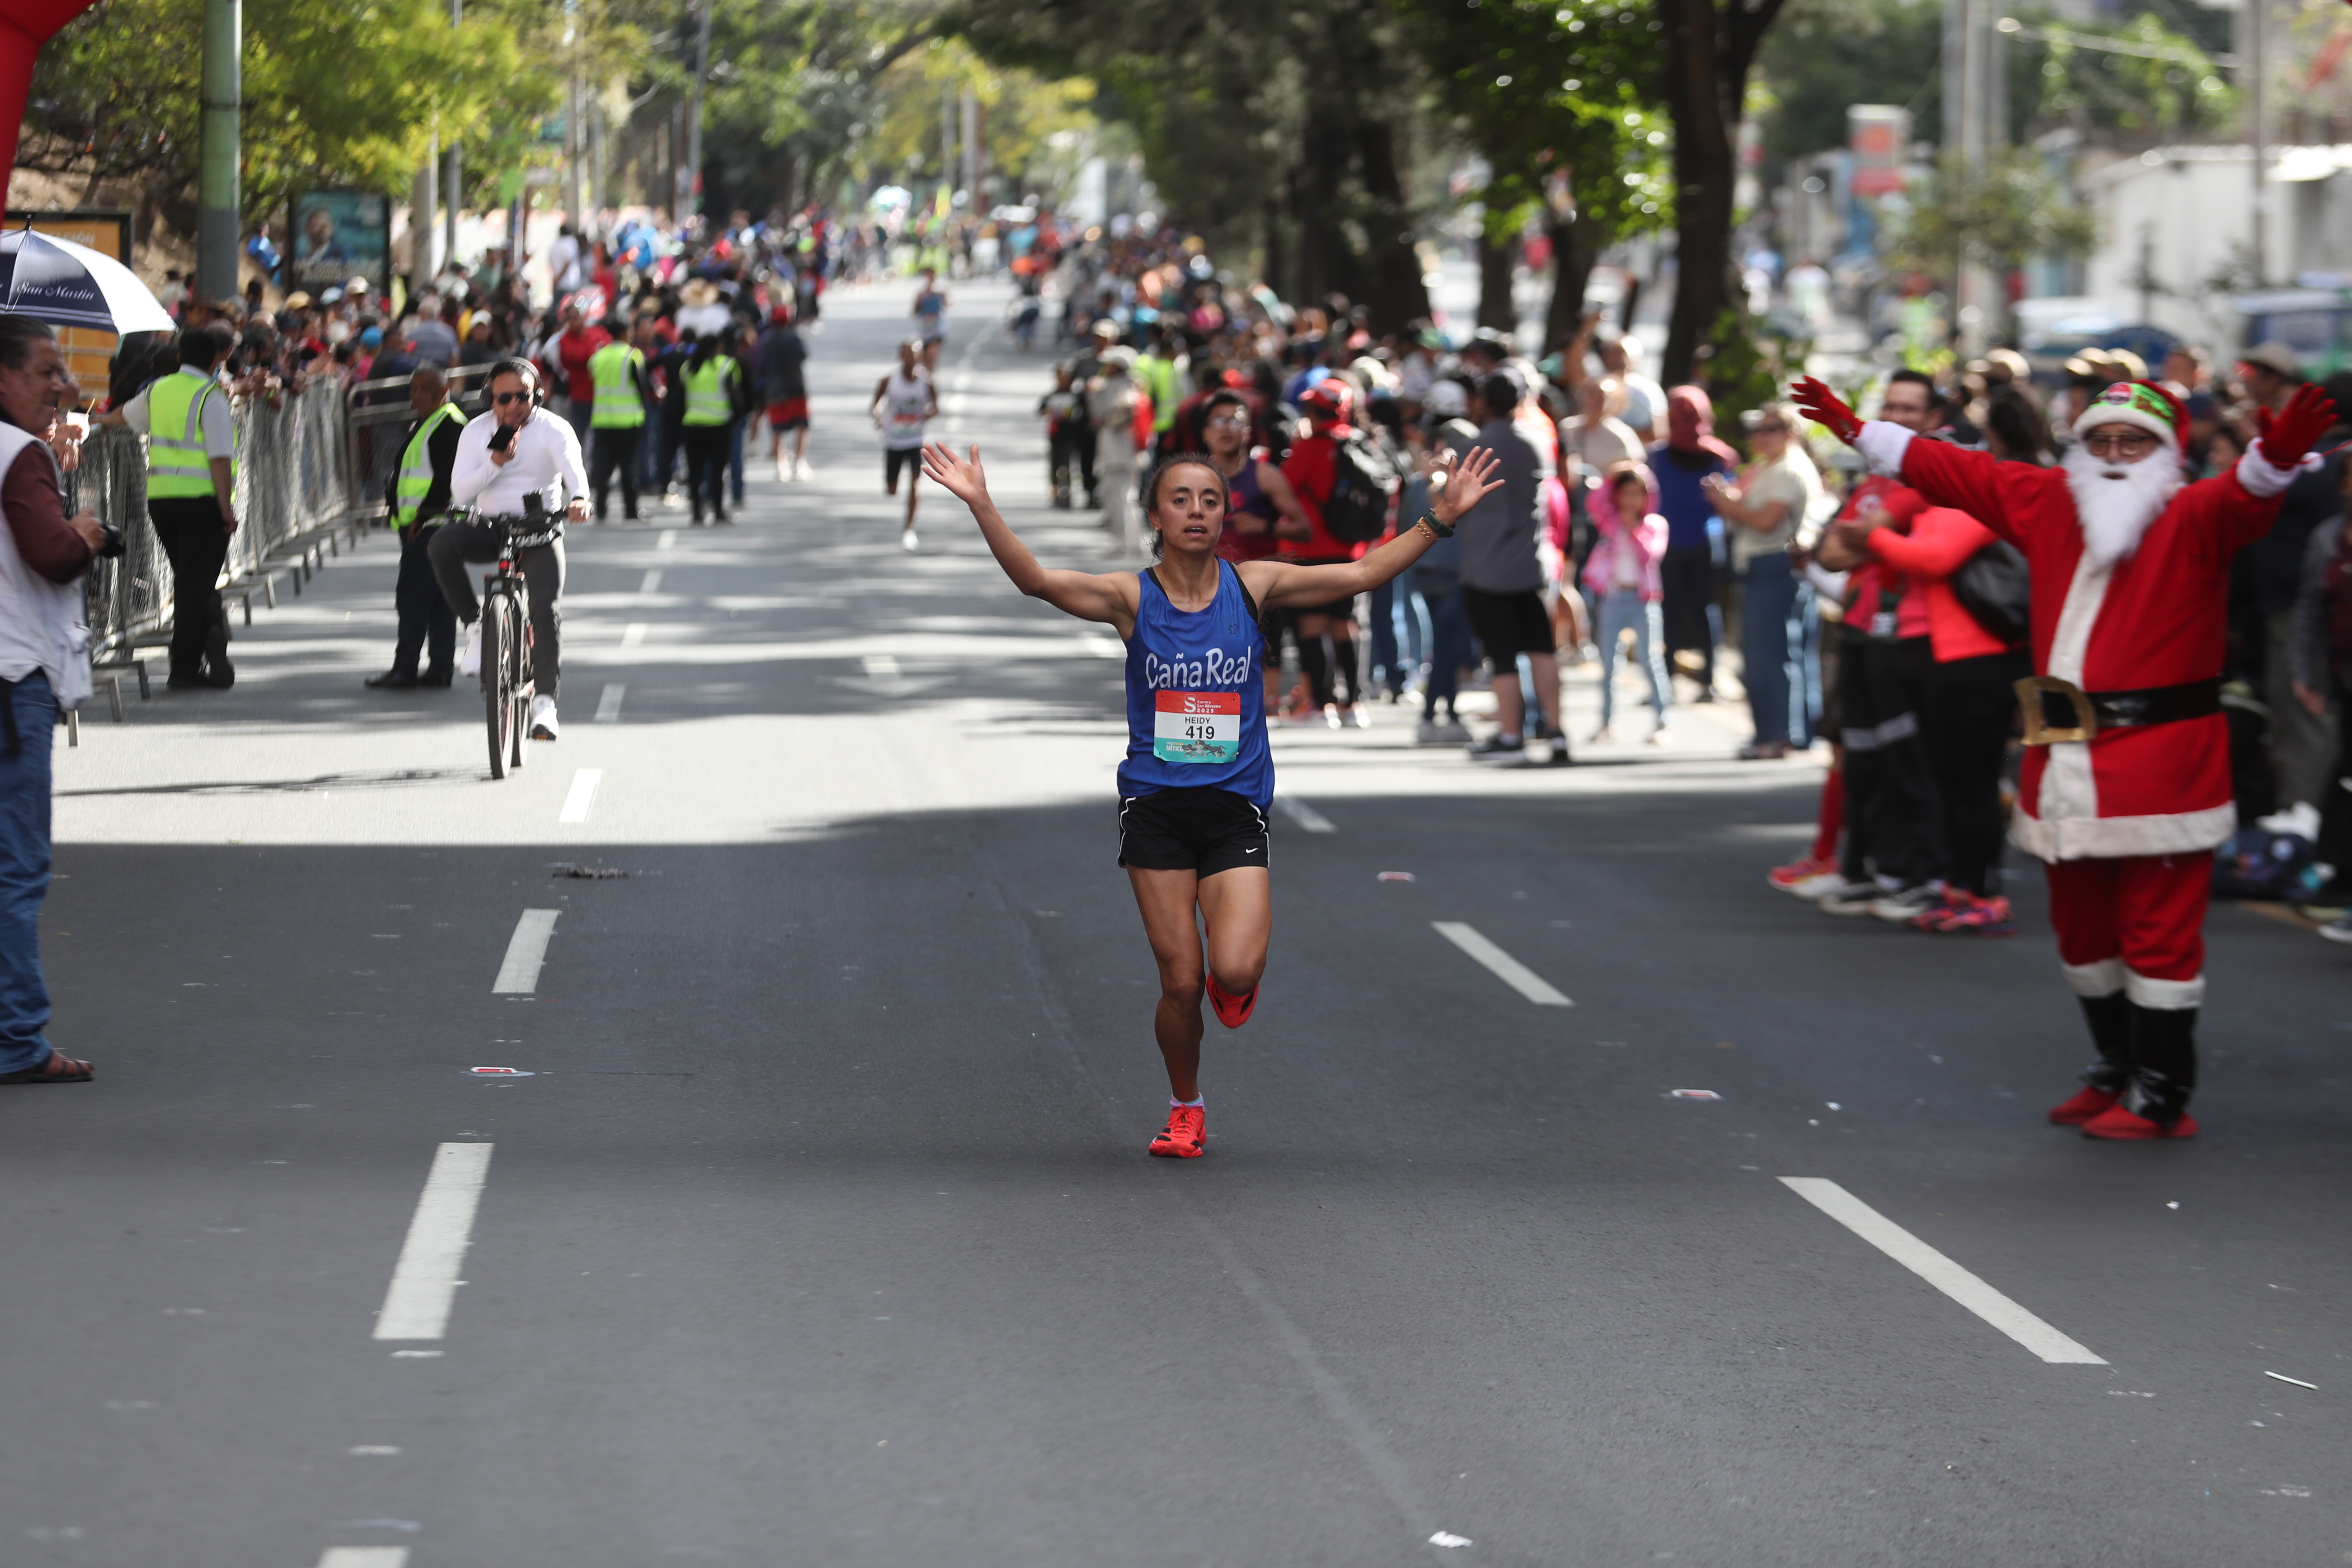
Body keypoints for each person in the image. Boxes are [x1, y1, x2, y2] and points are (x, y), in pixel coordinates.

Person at [917, 436, 1501, 1157]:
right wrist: (981, 502)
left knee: (1236, 970)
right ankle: (1185, 1106)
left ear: (1225, 514)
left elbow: (1361, 574)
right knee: (1181, 983)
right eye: (1180, 499)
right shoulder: (1131, 598)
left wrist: (1439, 518)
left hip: (1233, 807)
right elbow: (1036, 580)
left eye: (1210, 500)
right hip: (1156, 808)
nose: (1196, 511)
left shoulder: (1253, 585)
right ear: (1156, 516)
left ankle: (1233, 981)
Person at [1794, 371, 2336, 1139]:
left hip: (2162, 762)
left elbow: (2247, 498)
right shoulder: (2048, 500)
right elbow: (1958, 470)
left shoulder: (2195, 513)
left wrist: (2272, 461)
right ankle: (2115, 1066)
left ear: (2167, 453)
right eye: (2101, 440)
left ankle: (2161, 1092)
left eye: (2134, 442)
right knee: (2081, 929)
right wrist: (1860, 432)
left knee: (2156, 928)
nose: (2114, 455)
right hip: (2065, 757)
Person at [0, 316, 102, 1085]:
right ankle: (17, 1039)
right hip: (13, 686)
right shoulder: (20, 455)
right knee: (17, 868)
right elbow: (52, 552)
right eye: (46, 371)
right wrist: (85, 533)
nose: (61, 385)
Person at [432, 358, 588, 741]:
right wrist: (495, 463)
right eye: (505, 398)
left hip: (539, 531)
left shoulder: (553, 428)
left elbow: (575, 473)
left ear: (537, 395)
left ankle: (545, 705)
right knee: (441, 544)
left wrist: (580, 499)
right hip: (491, 529)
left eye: (524, 396)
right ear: (491, 399)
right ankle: (477, 627)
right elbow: (461, 491)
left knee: (544, 609)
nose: (515, 405)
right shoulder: (476, 431)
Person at [108, 322, 238, 690]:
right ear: (215, 360)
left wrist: (96, 422)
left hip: (162, 500)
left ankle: (209, 635)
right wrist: (226, 508)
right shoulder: (211, 396)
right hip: (201, 501)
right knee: (196, 583)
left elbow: (124, 416)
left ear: (180, 357)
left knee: (191, 578)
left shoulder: (158, 389)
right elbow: (219, 458)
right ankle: (186, 664)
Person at [1459, 371, 1568, 763]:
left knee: (1502, 656)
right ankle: (1555, 730)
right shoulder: (1535, 443)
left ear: (1482, 401)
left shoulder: (1473, 447)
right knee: (1542, 648)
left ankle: (1511, 735)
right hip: (1531, 563)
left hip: (1487, 566)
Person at [1705, 403, 1824, 758]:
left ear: (1791, 432)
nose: (1760, 436)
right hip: (1775, 564)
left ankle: (1774, 737)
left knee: (1766, 655)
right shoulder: (1768, 467)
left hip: (1774, 564)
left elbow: (1765, 521)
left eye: (1770, 429)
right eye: (1758, 429)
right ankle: (1795, 733)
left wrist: (1727, 505)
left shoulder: (1787, 469)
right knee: (1789, 653)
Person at [364, 365, 463, 689]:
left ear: (444, 391)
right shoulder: (429, 421)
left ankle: (405, 668)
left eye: (425, 389)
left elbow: (446, 480)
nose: (416, 395)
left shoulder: (448, 425)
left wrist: (421, 518)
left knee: (413, 597)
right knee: (439, 599)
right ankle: (440, 668)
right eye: (414, 388)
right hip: (427, 524)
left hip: (430, 525)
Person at [1648, 386, 1733, 704]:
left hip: (1691, 547)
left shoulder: (1715, 458)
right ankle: (1684, 682)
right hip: (1682, 546)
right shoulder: (1719, 458)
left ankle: (1687, 681)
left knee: (1683, 614)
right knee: (1695, 613)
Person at [1582, 464, 1671, 743]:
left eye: (1637, 494)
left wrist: (1634, 529)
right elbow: (1593, 500)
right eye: (1625, 494)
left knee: (1651, 661)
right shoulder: (1610, 522)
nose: (1631, 500)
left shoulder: (1654, 525)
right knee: (1609, 664)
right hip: (1613, 599)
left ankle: (1664, 723)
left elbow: (1652, 556)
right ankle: (1607, 723)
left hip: (1643, 601)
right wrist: (1614, 475)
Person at [871, 338, 936, 550]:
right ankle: (896, 493)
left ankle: (909, 529)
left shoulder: (927, 382)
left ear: (921, 357)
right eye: (907, 354)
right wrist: (879, 417)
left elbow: (936, 407)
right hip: (894, 440)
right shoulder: (889, 381)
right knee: (892, 489)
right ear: (900, 357)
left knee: (916, 484)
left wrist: (926, 416)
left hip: (917, 440)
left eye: (915, 355)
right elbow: (875, 406)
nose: (911, 359)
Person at [677, 331, 747, 526]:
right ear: (718, 347)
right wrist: (736, 419)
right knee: (718, 471)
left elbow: (680, 397)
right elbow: (735, 396)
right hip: (719, 426)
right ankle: (718, 511)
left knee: (695, 472)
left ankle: (696, 513)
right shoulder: (725, 365)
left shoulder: (689, 367)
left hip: (693, 425)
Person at [587, 325, 654, 522]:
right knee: (628, 468)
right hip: (628, 420)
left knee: (603, 467)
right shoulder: (632, 355)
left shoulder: (598, 356)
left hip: (602, 419)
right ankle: (631, 510)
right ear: (625, 334)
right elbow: (642, 385)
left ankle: (601, 509)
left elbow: (594, 380)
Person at [1092, 347, 1147, 558]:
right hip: (1119, 454)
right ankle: (1130, 543)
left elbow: (1107, 416)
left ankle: (1125, 544)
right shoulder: (1125, 387)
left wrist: (1096, 394)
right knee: (1124, 498)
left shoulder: (1123, 389)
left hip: (1121, 454)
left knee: (1121, 499)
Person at [758, 305, 812, 482]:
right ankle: (800, 464)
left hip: (774, 390)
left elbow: (761, 364)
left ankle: (781, 465)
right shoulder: (793, 337)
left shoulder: (766, 340)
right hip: (796, 388)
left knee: (777, 429)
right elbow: (803, 356)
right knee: (801, 426)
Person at [548, 295, 610, 444]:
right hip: (580, 398)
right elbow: (578, 358)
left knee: (602, 440)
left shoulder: (598, 332)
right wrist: (596, 351)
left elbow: (608, 350)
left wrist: (596, 353)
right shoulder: (564, 341)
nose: (575, 321)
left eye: (577, 316)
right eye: (571, 318)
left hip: (602, 396)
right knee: (579, 438)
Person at [912, 267, 949, 346]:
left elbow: (947, 304)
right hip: (924, 324)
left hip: (937, 323)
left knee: (934, 347)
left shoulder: (941, 289)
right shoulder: (921, 291)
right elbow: (916, 308)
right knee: (925, 346)